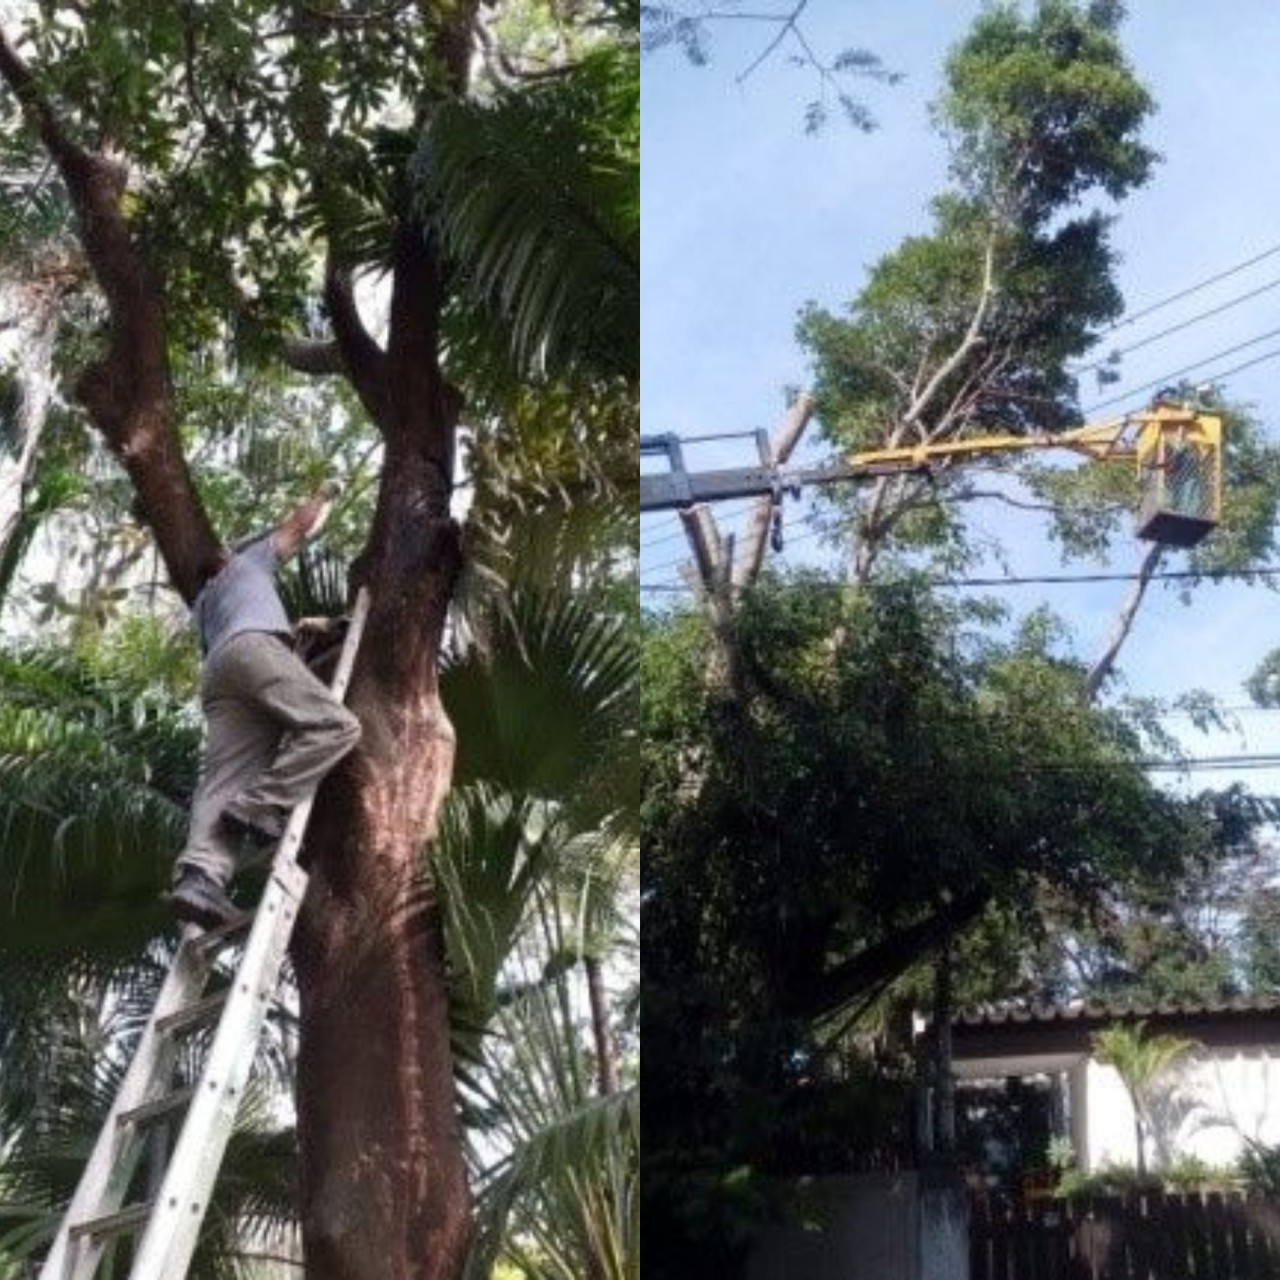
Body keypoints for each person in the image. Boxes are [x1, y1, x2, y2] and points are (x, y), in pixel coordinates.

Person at [168, 484, 362, 929]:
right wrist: (324, 495)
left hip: (220, 674)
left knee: (221, 779)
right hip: (251, 651)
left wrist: (302, 632)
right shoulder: (244, 563)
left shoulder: (203, 605)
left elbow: (243, 638)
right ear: (223, 558)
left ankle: (199, 877)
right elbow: (298, 527)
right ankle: (262, 803)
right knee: (336, 727)